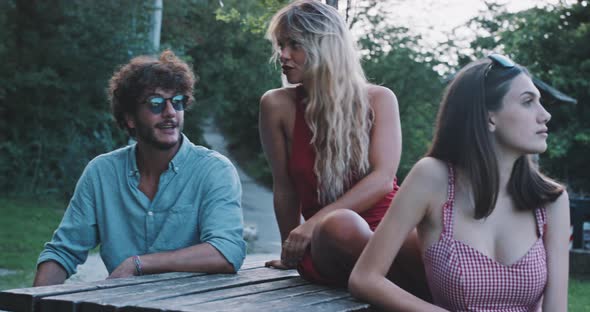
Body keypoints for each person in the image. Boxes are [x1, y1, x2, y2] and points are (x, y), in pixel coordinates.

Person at [349, 54, 570, 311]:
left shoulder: (551, 201)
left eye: (539, 102)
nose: (545, 115)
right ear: (489, 117)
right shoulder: (432, 179)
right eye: (527, 102)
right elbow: (365, 278)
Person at [33, 50, 246, 286]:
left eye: (177, 102)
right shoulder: (101, 173)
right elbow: (62, 253)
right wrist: (34, 303)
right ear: (130, 118)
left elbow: (227, 252)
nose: (170, 113)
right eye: (156, 104)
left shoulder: (213, 170)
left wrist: (139, 263)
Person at [259, 0, 428, 295]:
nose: (283, 55)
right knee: (342, 225)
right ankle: (405, 287)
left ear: (326, 47)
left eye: (294, 45)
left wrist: (309, 225)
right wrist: (294, 245)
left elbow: (383, 179)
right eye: (281, 45)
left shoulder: (380, 99)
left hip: (388, 229)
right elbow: (284, 187)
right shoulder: (276, 105)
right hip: (327, 240)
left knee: (433, 238)